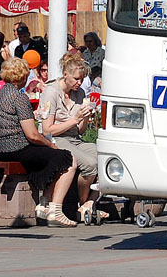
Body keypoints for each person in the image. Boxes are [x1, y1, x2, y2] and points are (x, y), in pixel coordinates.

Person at [0, 56, 78, 227]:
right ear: (22, 77)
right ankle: (55, 210)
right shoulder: (19, 97)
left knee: (50, 157)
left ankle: (45, 203)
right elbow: (32, 135)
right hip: (15, 148)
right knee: (67, 158)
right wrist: (50, 144)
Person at [38, 54, 102, 221]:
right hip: (56, 139)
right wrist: (74, 119)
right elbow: (47, 130)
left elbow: (80, 131)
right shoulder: (51, 92)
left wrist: (85, 115)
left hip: (74, 138)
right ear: (65, 74)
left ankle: (90, 202)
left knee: (107, 156)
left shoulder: (79, 93)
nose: (79, 83)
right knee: (90, 164)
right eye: (76, 79)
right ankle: (83, 203)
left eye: (81, 79)